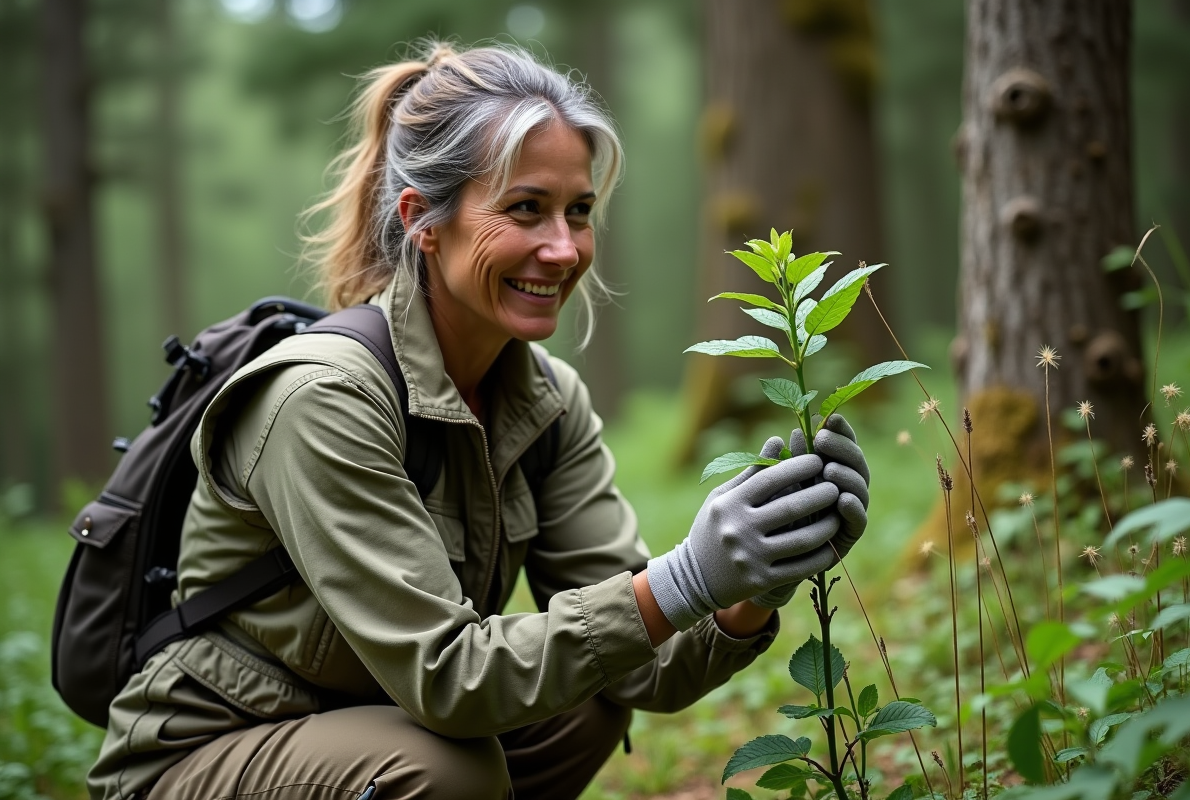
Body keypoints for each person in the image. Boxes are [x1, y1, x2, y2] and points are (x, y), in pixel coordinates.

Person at [86, 41, 871, 800]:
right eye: (525, 209)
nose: (563, 249)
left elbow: (639, 662)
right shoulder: (322, 397)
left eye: (578, 211)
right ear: (423, 221)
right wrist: (686, 574)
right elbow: (448, 678)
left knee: (589, 694)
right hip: (201, 756)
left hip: (377, 727)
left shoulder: (546, 404)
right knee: (444, 772)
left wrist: (754, 581)